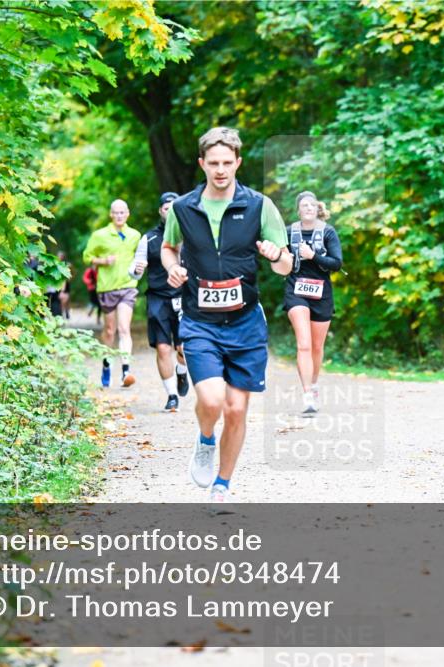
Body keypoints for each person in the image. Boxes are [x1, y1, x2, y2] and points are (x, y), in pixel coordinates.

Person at [160, 127, 293, 503]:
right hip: (200, 320)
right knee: (213, 400)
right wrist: (172, 267)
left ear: (238, 163)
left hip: (246, 321)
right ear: (202, 164)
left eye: (227, 163)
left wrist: (275, 255)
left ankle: (222, 485)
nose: (220, 170)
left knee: (236, 409)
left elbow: (286, 266)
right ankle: (205, 440)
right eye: (213, 163)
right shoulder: (184, 208)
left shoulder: (259, 206)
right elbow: (169, 248)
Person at [283, 191, 343, 415]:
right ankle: (307, 394)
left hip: (322, 292)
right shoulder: (289, 232)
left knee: (317, 347)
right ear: (298, 210)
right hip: (296, 290)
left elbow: (336, 263)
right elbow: (278, 259)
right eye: (303, 205)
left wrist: (313, 256)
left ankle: (314, 385)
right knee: (304, 344)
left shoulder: (327, 232)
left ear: (318, 209)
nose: (307, 208)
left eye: (311, 205)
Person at [131, 192, 190, 412]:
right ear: (160, 211)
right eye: (166, 208)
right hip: (158, 298)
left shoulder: (190, 234)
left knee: (183, 347)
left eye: (174, 207)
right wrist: (136, 270)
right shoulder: (149, 239)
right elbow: (135, 270)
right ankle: (172, 395)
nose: (170, 211)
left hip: (185, 297)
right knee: (163, 348)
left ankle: (182, 372)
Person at [82, 199, 143, 388]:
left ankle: (126, 371)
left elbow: (140, 257)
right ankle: (107, 364)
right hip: (107, 287)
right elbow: (86, 257)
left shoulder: (135, 235)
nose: (119, 216)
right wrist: (102, 261)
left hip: (128, 286)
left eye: (122, 212)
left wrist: (140, 267)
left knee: (124, 329)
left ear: (128, 214)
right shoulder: (99, 235)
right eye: (116, 212)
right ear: (111, 214)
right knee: (110, 331)